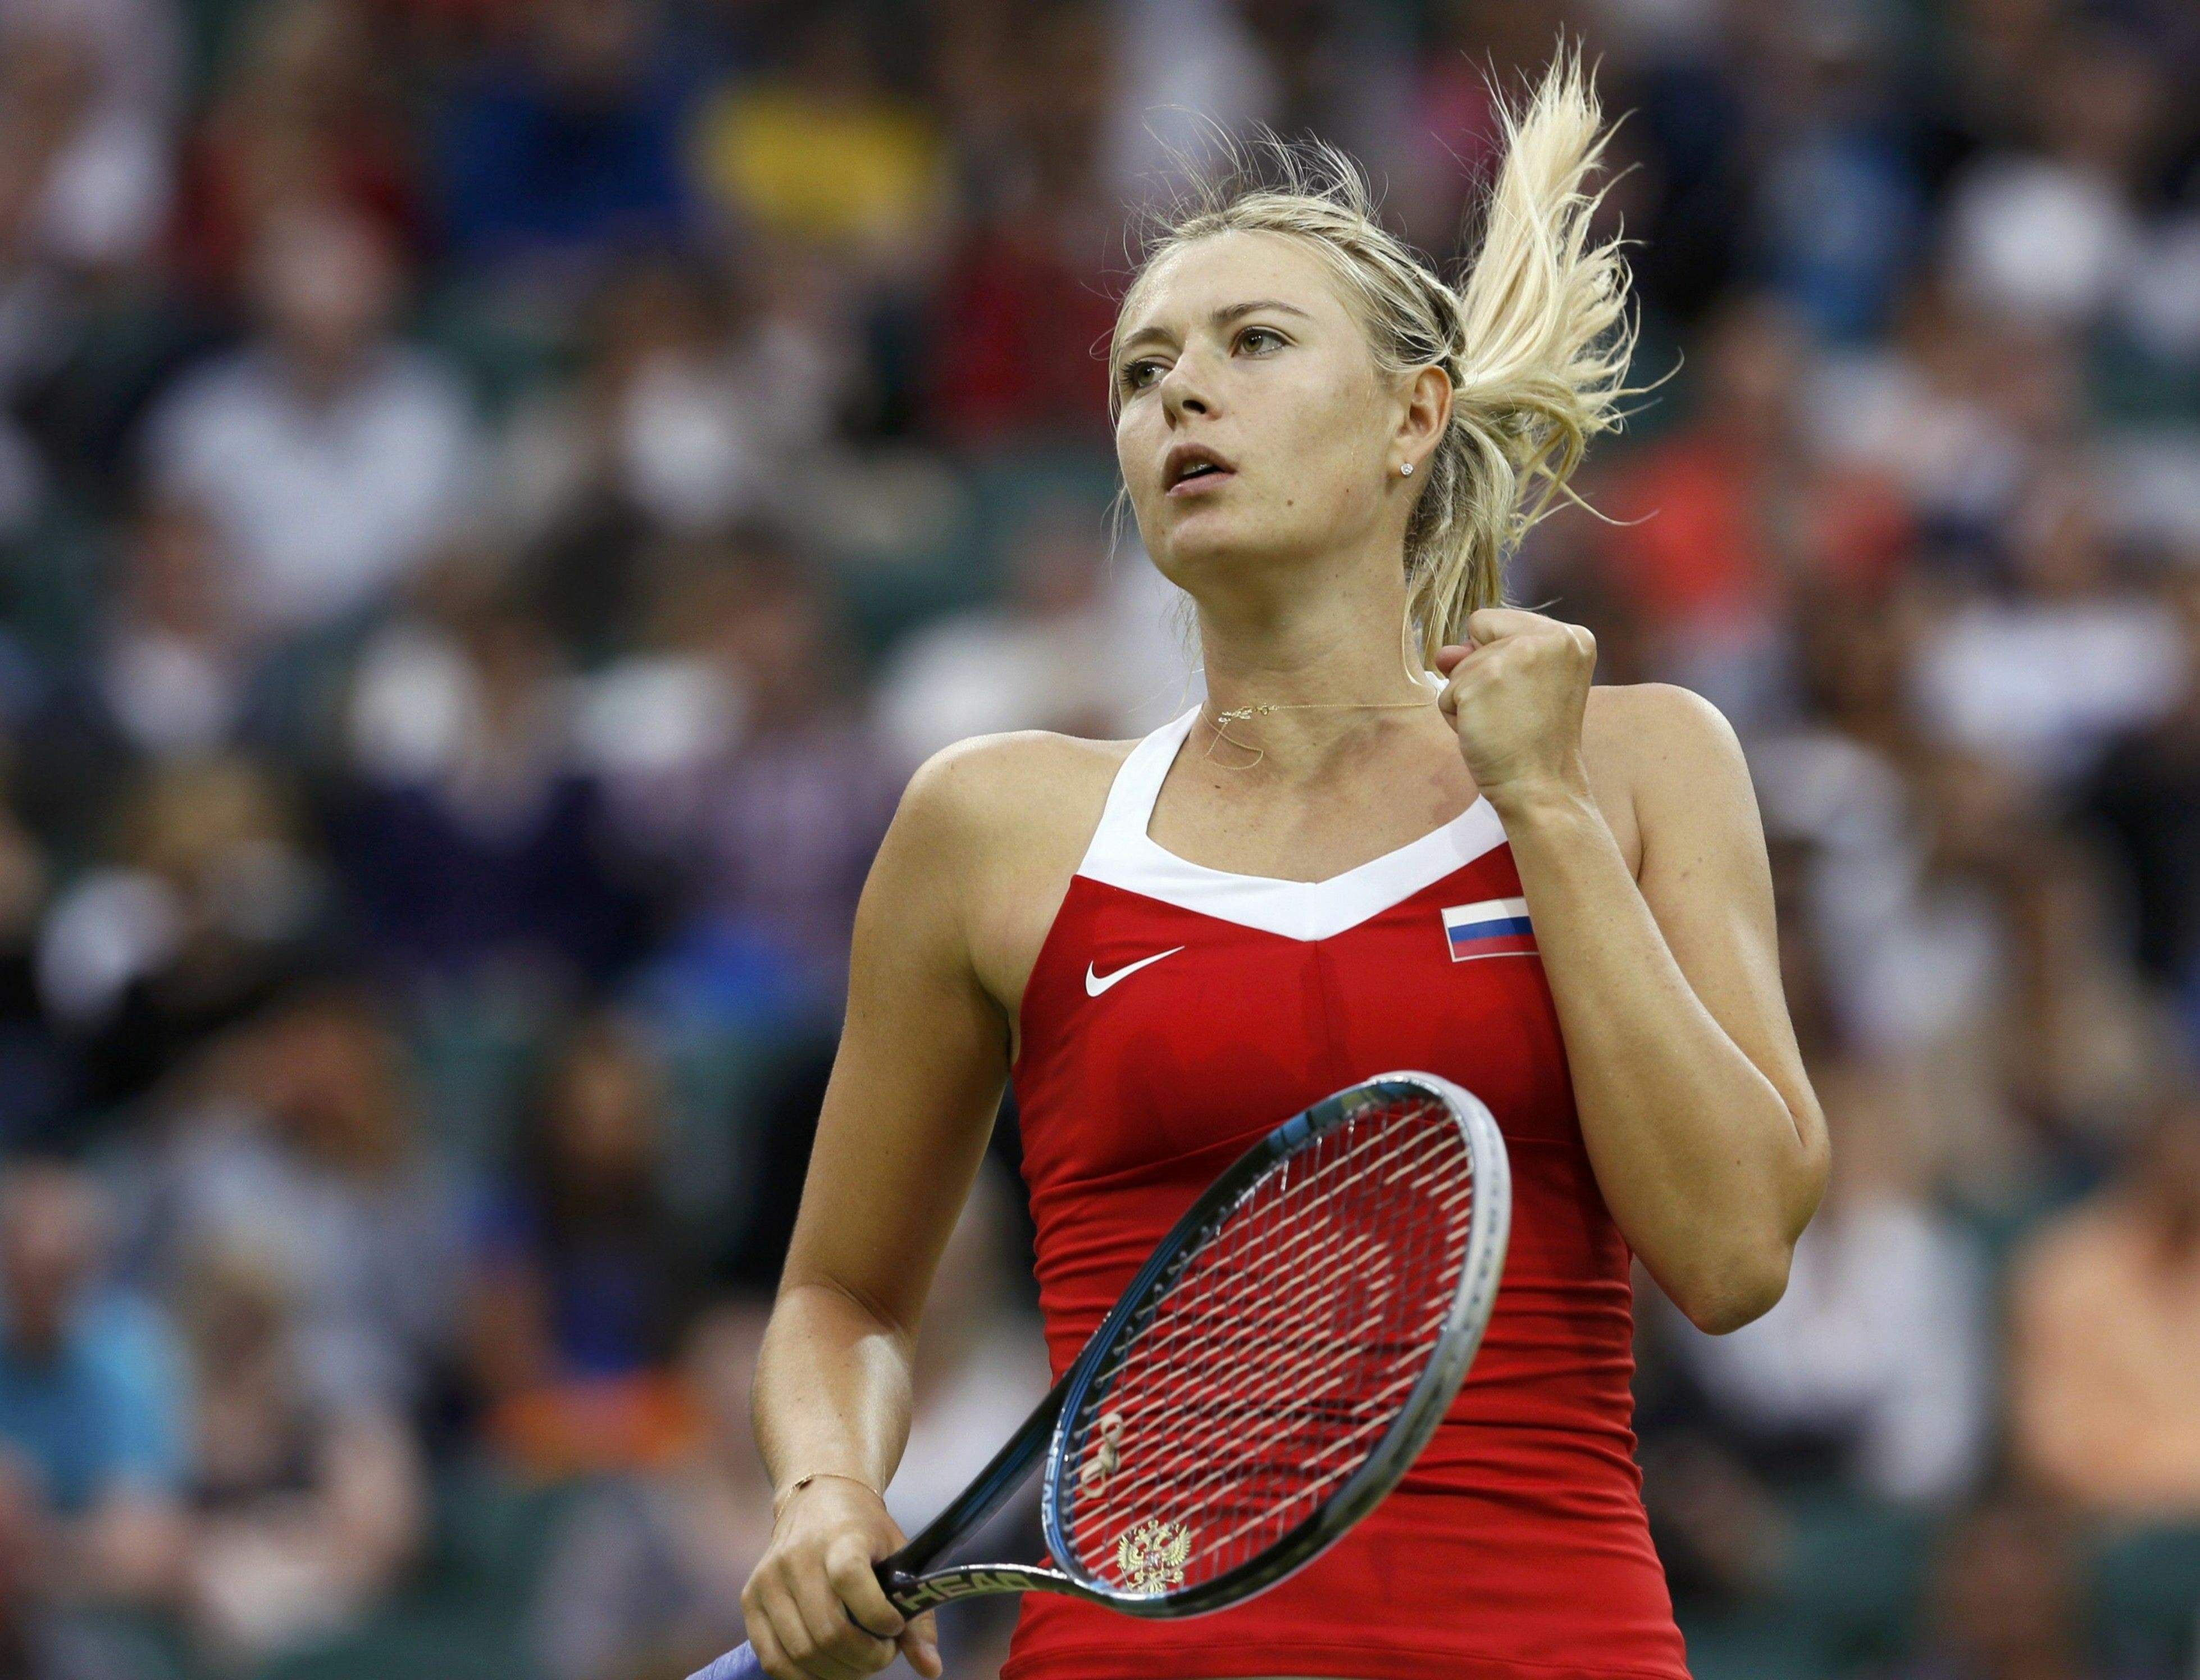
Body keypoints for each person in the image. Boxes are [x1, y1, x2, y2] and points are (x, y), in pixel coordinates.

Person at [739, 55, 1828, 1680]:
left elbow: (1736, 1253)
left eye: (1253, 345)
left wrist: (1542, 804)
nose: (1180, 395)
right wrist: (828, 1491)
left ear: (1413, 416)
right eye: (1141, 371)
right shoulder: (992, 825)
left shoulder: (1635, 759)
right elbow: (842, 1291)